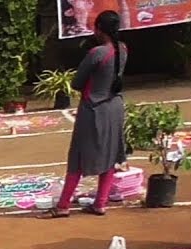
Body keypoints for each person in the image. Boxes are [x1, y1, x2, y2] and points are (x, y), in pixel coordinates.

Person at [41, 10, 127, 219]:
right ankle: (100, 203)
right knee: (110, 154)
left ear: (99, 29)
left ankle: (63, 205)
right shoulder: (123, 49)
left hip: (94, 107)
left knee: (78, 156)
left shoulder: (97, 53)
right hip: (114, 106)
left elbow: (77, 83)